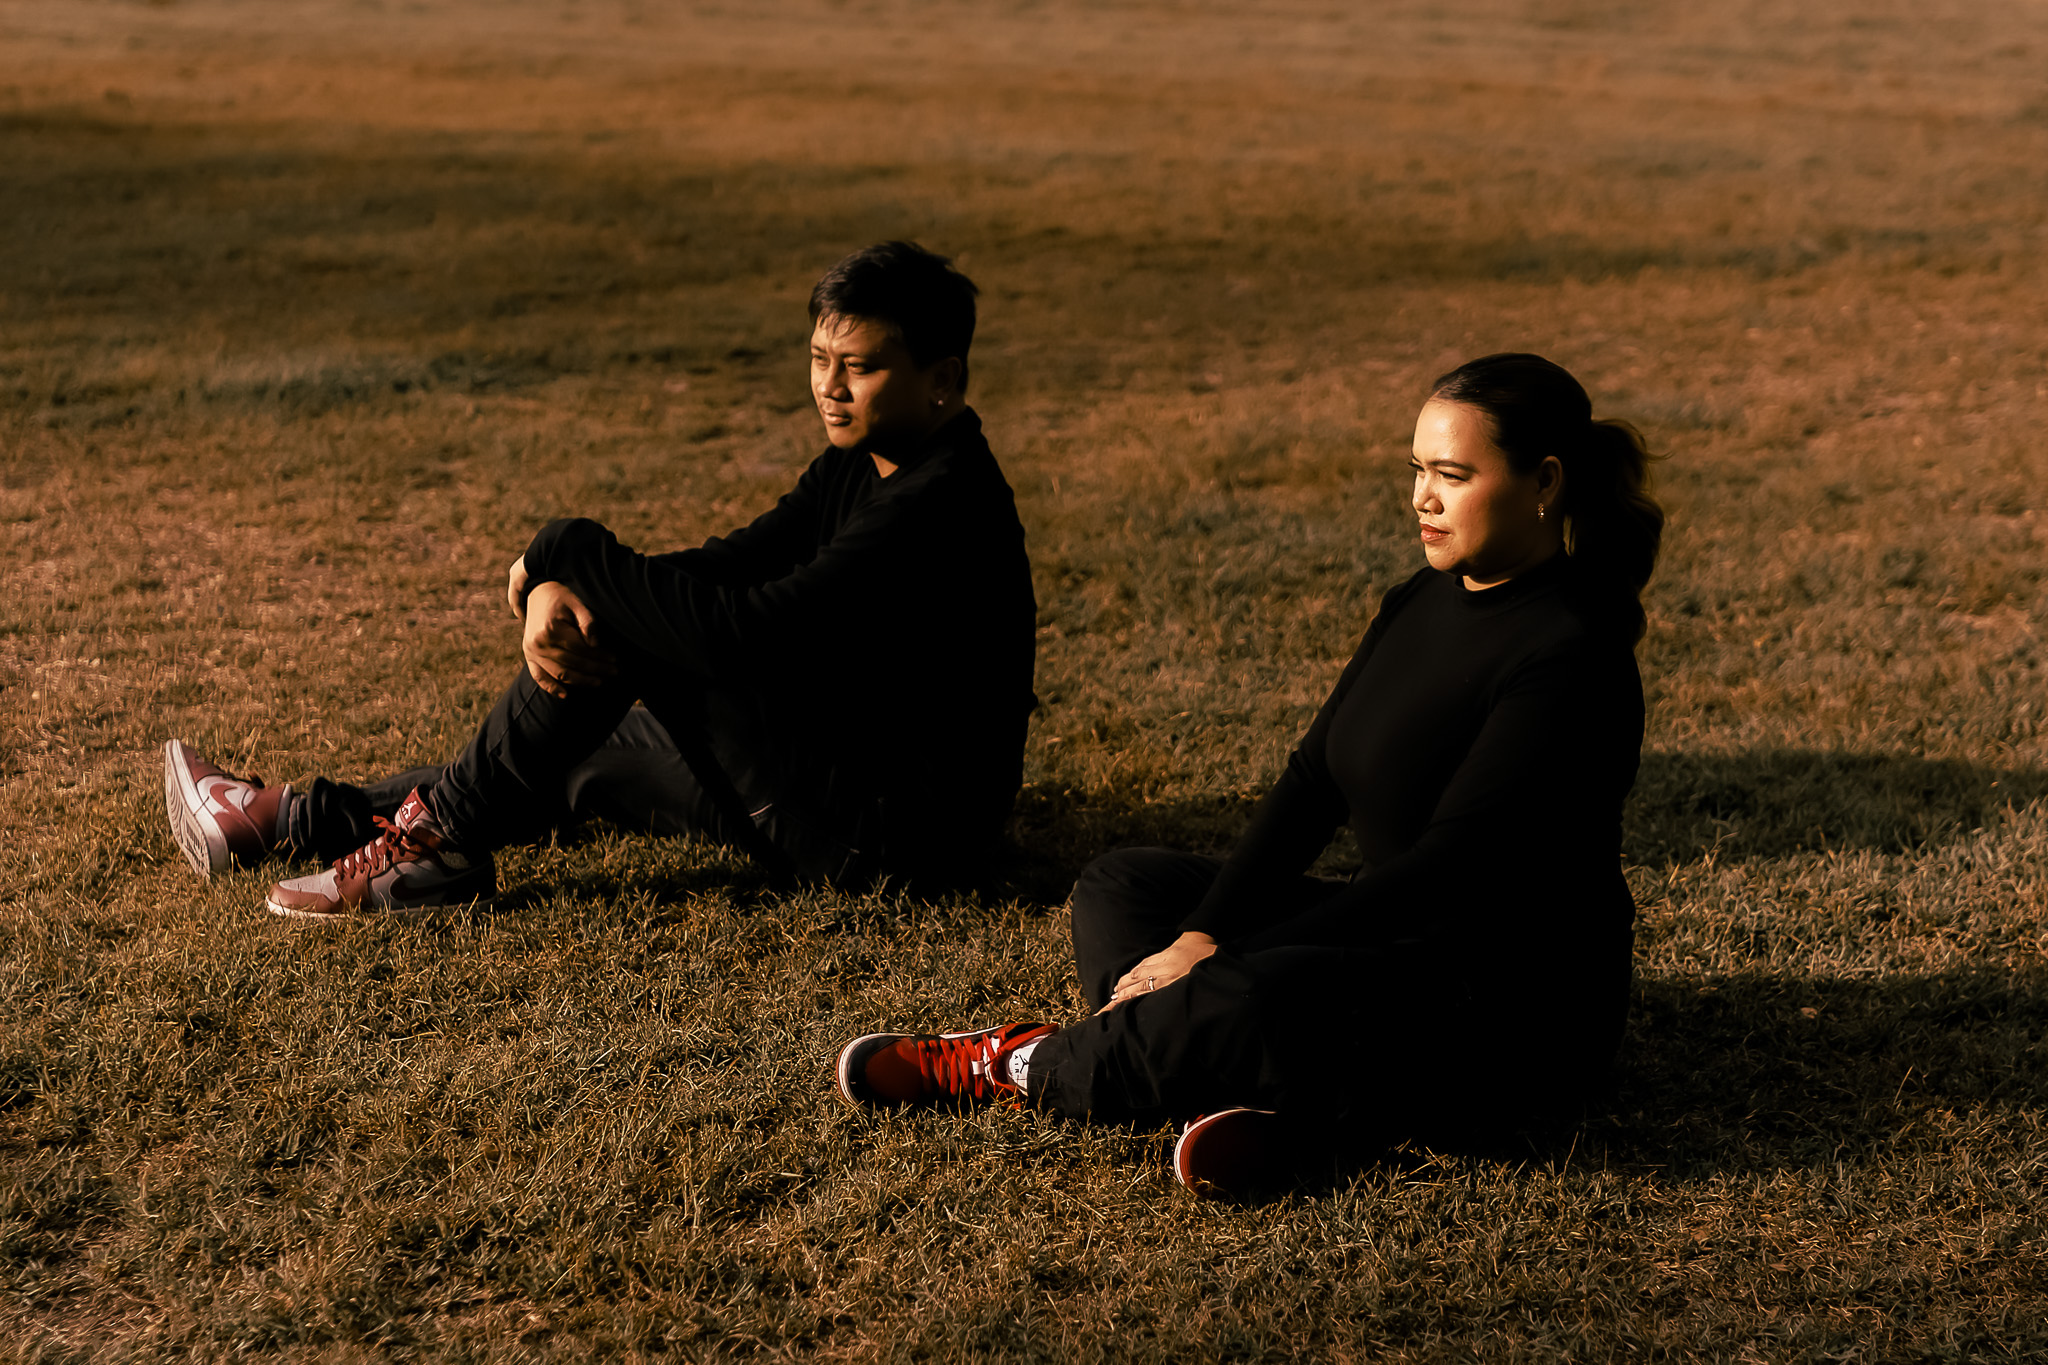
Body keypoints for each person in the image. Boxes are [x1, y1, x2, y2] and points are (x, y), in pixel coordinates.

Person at [835, 352, 1664, 1197]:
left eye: (1452, 475)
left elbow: (1444, 874)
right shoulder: (1418, 598)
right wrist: (1200, 935)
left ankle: (1020, 1063)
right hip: (1394, 941)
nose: (1422, 497)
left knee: (1254, 984)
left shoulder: (1571, 655)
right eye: (1417, 469)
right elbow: (1312, 782)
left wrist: (1227, 960)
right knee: (1124, 887)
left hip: (1505, 1002)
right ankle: (1254, 1088)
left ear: (1545, 480)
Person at [164, 241, 1038, 916]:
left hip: (887, 841)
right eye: (819, 358)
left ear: (942, 381)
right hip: (823, 767)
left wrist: (567, 550)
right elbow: (731, 562)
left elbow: (741, 635)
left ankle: (442, 850)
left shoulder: (941, 503)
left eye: (862, 367)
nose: (830, 387)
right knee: (581, 757)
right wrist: (576, 584)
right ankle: (279, 818)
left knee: (633, 631)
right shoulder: (862, 459)